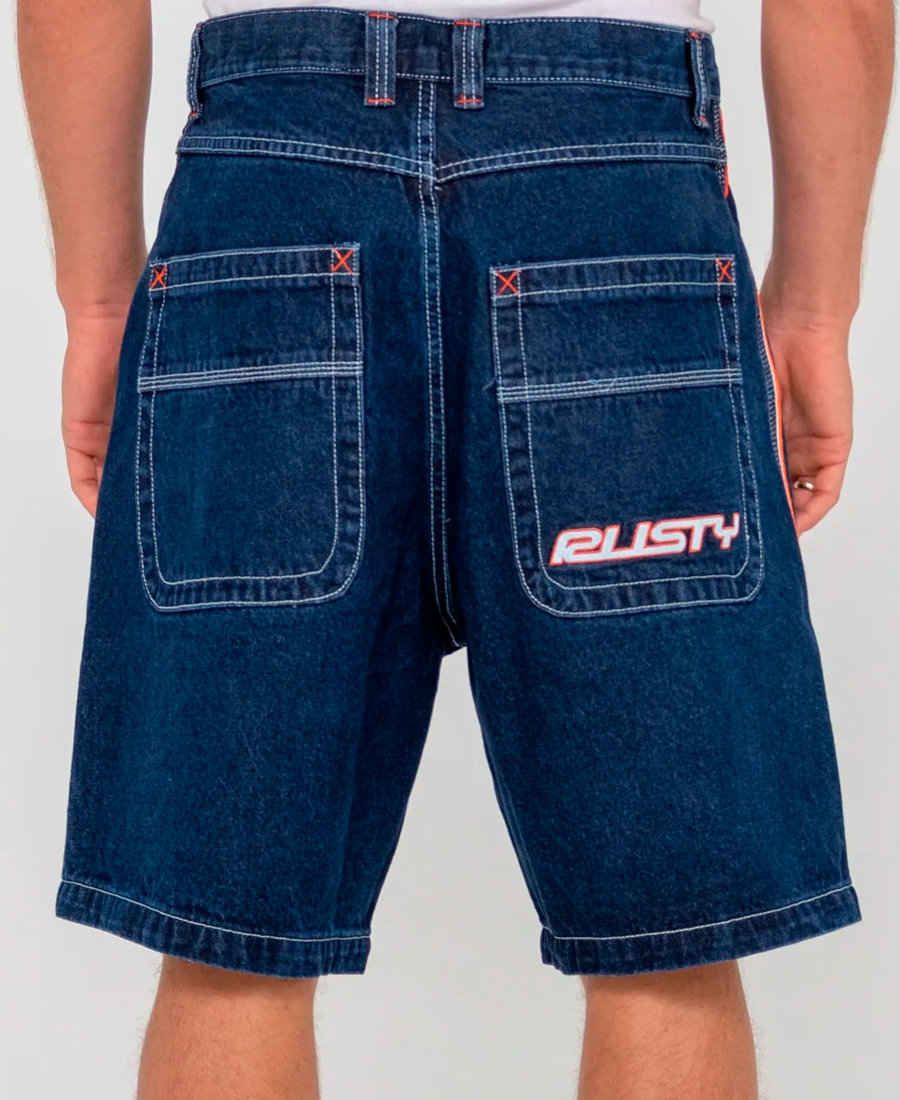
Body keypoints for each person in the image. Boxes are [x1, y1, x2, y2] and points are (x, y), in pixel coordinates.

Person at [17, 0, 894, 1097]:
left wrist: (103, 304)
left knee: (229, 952)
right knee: (666, 952)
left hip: (268, 200)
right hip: (615, 205)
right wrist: (813, 310)